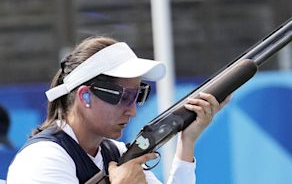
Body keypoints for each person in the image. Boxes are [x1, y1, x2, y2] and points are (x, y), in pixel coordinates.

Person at [7, 36, 231, 184]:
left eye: (138, 96)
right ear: (85, 95)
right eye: (124, 97)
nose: (132, 111)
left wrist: (187, 142)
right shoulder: (44, 159)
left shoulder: (115, 153)